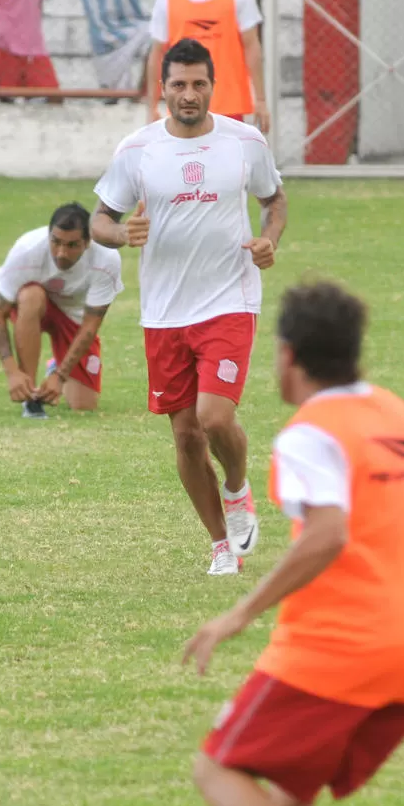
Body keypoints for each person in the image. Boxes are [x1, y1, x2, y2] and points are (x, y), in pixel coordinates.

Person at [178, 280, 404, 806]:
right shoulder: (397, 414)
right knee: (291, 787)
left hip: (344, 647)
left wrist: (240, 612)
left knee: (218, 767)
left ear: (287, 356)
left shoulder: (309, 433)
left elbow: (327, 533)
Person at [91, 38, 286, 574]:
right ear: (163, 89)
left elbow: (274, 200)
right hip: (164, 311)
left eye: (199, 83)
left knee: (213, 417)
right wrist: (119, 234)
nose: (189, 94)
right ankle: (221, 544)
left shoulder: (244, 142)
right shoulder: (137, 150)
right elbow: (99, 219)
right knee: (185, 435)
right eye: (178, 84)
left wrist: (270, 238)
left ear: (212, 86)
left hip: (229, 299)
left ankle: (239, 489)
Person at [0, 201, 123, 418]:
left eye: (72, 245)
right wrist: (12, 371)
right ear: (49, 235)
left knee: (84, 404)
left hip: (74, 318)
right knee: (31, 295)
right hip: (33, 308)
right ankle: (31, 397)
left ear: (88, 242)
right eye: (56, 242)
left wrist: (60, 376)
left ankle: (55, 366)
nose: (61, 252)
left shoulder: (106, 260)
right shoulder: (27, 249)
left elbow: (91, 325)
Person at [147, 0, 268, 129]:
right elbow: (157, 55)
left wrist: (261, 100)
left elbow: (252, 47)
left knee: (227, 161)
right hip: (183, 104)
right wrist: (151, 107)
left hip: (229, 104)